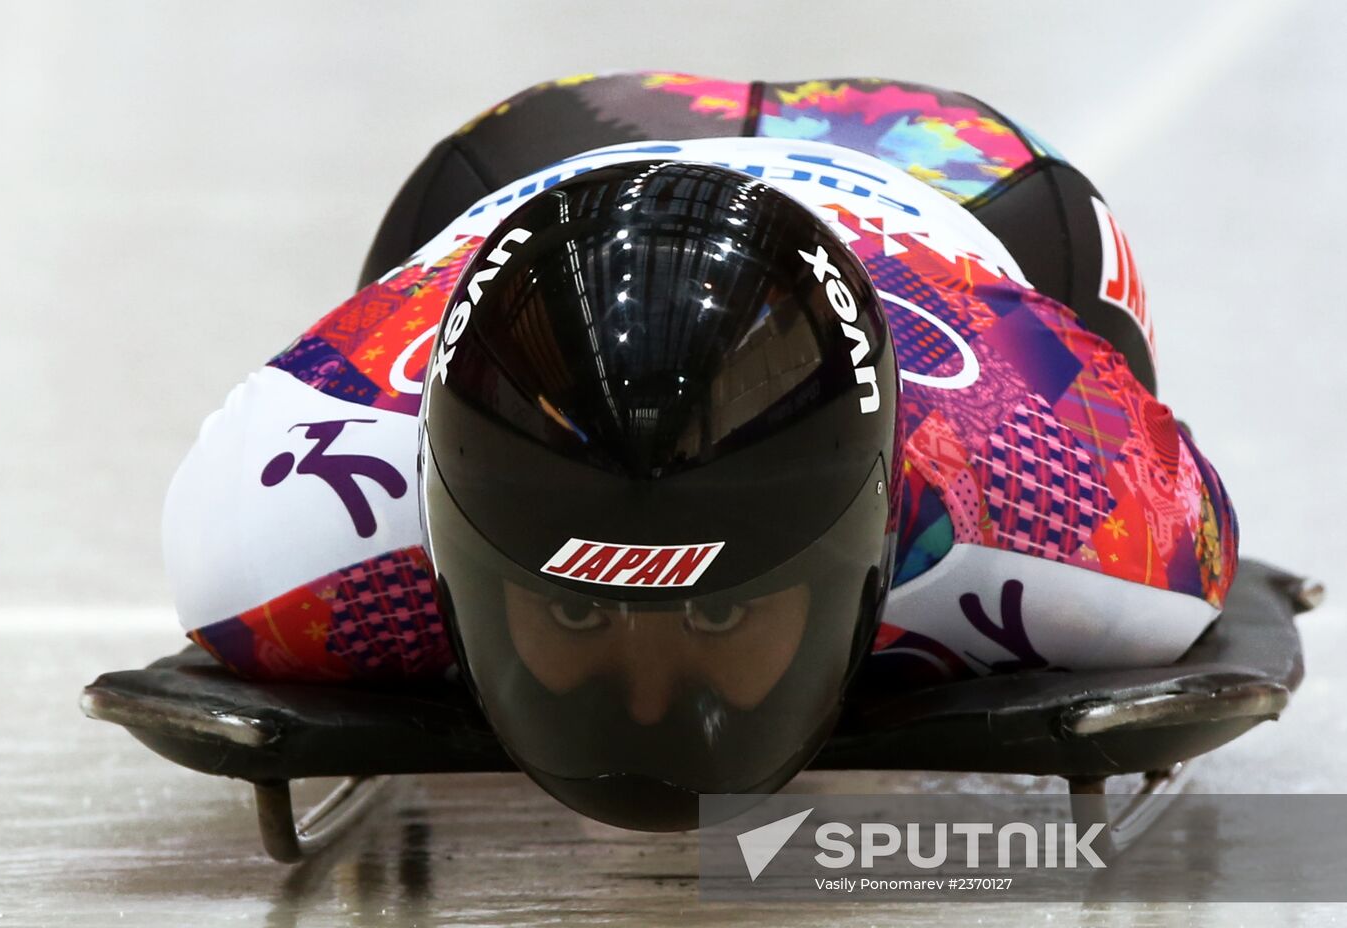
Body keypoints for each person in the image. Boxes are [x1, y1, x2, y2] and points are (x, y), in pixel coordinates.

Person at [163, 73, 1236, 830]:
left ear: (874, 532)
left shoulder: (1062, 505)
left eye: (716, 608)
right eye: (579, 607)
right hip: (557, 178)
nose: (644, 712)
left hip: (959, 193)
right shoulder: (272, 533)